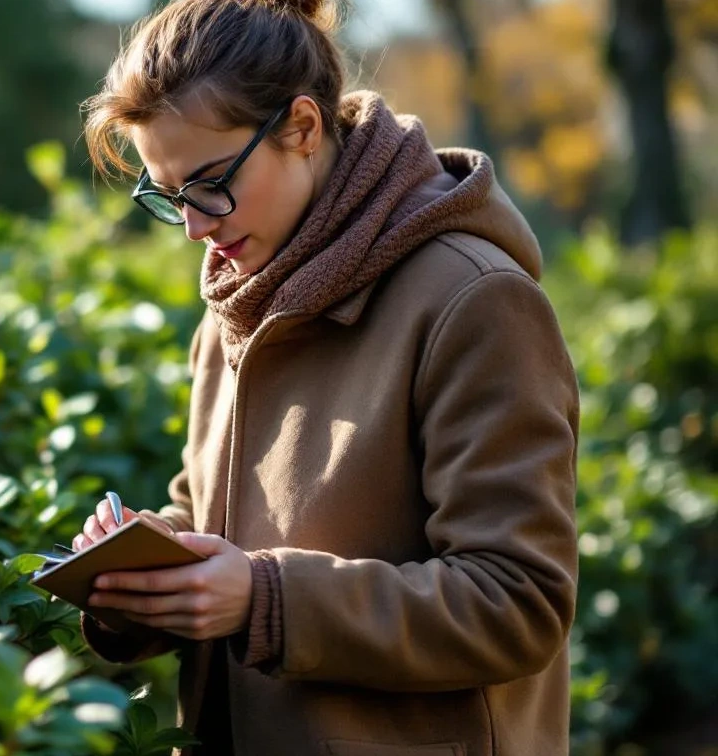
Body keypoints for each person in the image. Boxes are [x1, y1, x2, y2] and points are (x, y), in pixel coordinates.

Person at [70, 1, 581, 754]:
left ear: (302, 128)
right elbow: (210, 517)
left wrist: (267, 599)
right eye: (169, 195)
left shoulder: (474, 300)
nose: (195, 228)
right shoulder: (235, 303)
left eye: (210, 183)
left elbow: (518, 602)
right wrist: (146, 567)